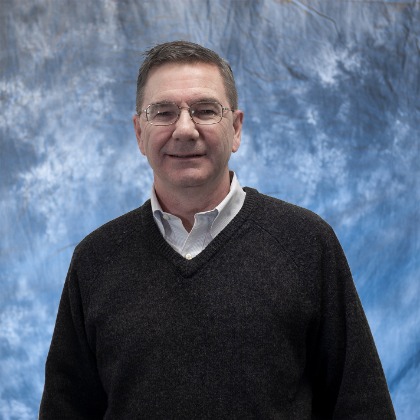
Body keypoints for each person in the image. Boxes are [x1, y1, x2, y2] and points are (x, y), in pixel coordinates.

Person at [39, 40, 395, 419]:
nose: (185, 129)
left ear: (236, 128)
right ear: (139, 133)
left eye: (205, 110)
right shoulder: (96, 259)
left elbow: (361, 405)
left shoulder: (307, 243)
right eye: (163, 112)